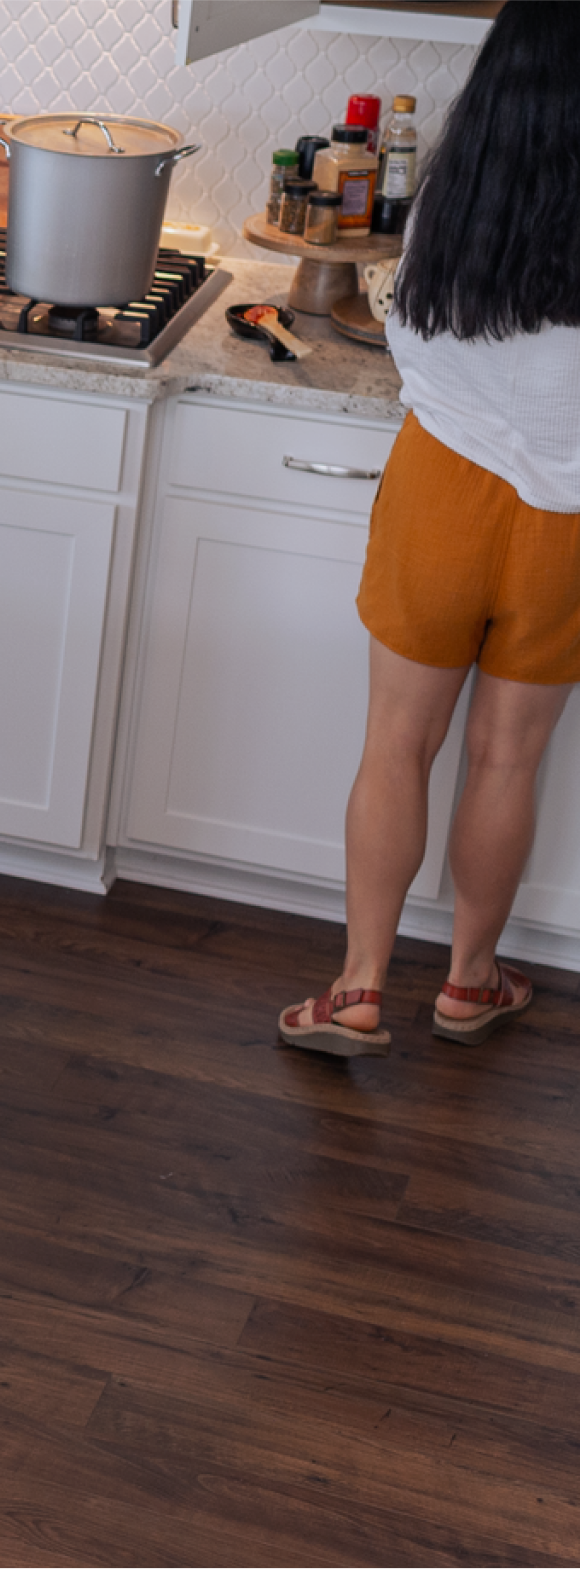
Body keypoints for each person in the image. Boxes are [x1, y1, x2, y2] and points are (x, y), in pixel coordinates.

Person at [276, 0, 580, 1058]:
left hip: (438, 487)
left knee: (396, 743)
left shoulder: (461, 181)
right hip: (568, 523)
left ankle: (358, 988)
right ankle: (469, 981)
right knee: (507, 759)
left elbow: (407, 321)